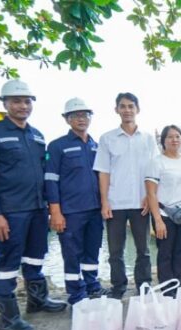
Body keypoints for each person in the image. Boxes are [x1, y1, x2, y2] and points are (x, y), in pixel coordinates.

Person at [0, 79, 66, 330]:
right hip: (10, 212)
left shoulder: (36, 136)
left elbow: (45, 174)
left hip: (37, 209)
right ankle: (8, 318)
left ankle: (36, 301)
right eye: (16, 101)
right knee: (7, 263)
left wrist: (50, 208)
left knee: (35, 257)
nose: (22, 106)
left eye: (27, 101)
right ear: (5, 103)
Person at [45, 98, 110, 306]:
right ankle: (76, 295)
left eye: (85, 115)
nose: (81, 119)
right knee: (72, 254)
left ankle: (92, 287)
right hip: (71, 212)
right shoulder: (57, 147)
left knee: (92, 251)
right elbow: (51, 180)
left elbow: (104, 177)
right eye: (76, 115)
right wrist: (55, 211)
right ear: (67, 119)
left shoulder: (96, 146)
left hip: (94, 210)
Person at [93, 93, 158, 299]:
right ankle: (118, 287)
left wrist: (150, 196)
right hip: (115, 203)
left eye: (131, 106)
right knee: (115, 251)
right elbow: (103, 172)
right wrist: (104, 201)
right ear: (116, 110)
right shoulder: (107, 139)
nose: (127, 110)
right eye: (123, 106)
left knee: (143, 249)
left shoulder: (148, 139)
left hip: (141, 202)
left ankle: (144, 285)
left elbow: (154, 172)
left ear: (137, 109)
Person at [145, 125, 181, 297]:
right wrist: (157, 220)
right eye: (170, 137)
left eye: (177, 136)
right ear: (163, 141)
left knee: (180, 249)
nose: (174, 140)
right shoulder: (156, 162)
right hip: (165, 214)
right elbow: (151, 193)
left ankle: (178, 281)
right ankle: (167, 288)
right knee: (165, 251)